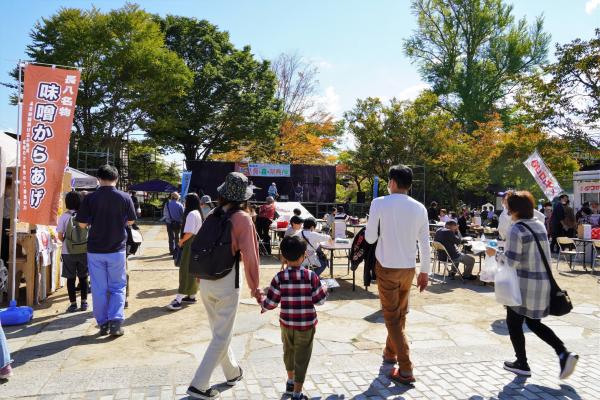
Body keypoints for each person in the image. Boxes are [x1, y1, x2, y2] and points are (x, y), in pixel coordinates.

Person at [486, 191, 578, 379]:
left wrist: (494, 253)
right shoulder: (538, 225)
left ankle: (523, 363)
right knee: (533, 322)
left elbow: (511, 262)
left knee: (514, 322)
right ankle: (563, 353)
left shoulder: (516, 229)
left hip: (523, 286)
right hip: (542, 282)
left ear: (512, 209)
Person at [187, 172, 262, 400]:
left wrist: (199, 275)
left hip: (205, 280)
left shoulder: (212, 214)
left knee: (219, 332)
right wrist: (255, 286)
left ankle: (232, 372)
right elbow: (251, 256)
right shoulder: (242, 218)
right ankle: (199, 385)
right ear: (244, 197)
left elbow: (199, 246)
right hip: (227, 281)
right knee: (221, 335)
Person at [365, 165, 431, 384]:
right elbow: (424, 242)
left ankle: (405, 368)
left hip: (386, 266)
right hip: (409, 268)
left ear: (392, 182)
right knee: (400, 314)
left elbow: (370, 238)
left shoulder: (379, 203)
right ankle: (389, 352)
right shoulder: (420, 207)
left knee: (392, 317)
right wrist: (425, 272)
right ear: (409, 184)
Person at [261, 235, 328, 400]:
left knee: (288, 352)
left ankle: (290, 381)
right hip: (306, 324)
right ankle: (297, 393)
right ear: (304, 255)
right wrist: (324, 287)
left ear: (283, 256)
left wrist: (262, 303)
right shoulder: (311, 276)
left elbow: (270, 303)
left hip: (286, 323)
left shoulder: (279, 277)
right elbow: (319, 301)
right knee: (302, 357)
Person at [76, 165, 136, 337]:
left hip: (95, 249)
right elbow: (131, 221)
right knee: (117, 287)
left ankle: (103, 324)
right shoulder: (125, 197)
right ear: (116, 178)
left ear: (98, 179)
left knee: (98, 288)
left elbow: (81, 223)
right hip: (117, 249)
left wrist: (92, 223)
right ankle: (116, 322)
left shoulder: (90, 198)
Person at [167, 193, 203, 311]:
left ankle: (179, 299)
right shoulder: (197, 213)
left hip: (190, 243)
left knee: (185, 270)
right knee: (192, 269)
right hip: (196, 243)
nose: (184, 202)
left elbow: (189, 233)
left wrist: (181, 241)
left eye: (186, 200)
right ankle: (191, 295)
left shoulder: (192, 214)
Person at [57, 191, 89, 313]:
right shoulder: (84, 215)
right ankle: (84, 302)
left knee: (70, 278)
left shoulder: (64, 217)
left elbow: (60, 236)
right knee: (83, 277)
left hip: (68, 251)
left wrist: (66, 241)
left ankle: (73, 304)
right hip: (83, 250)